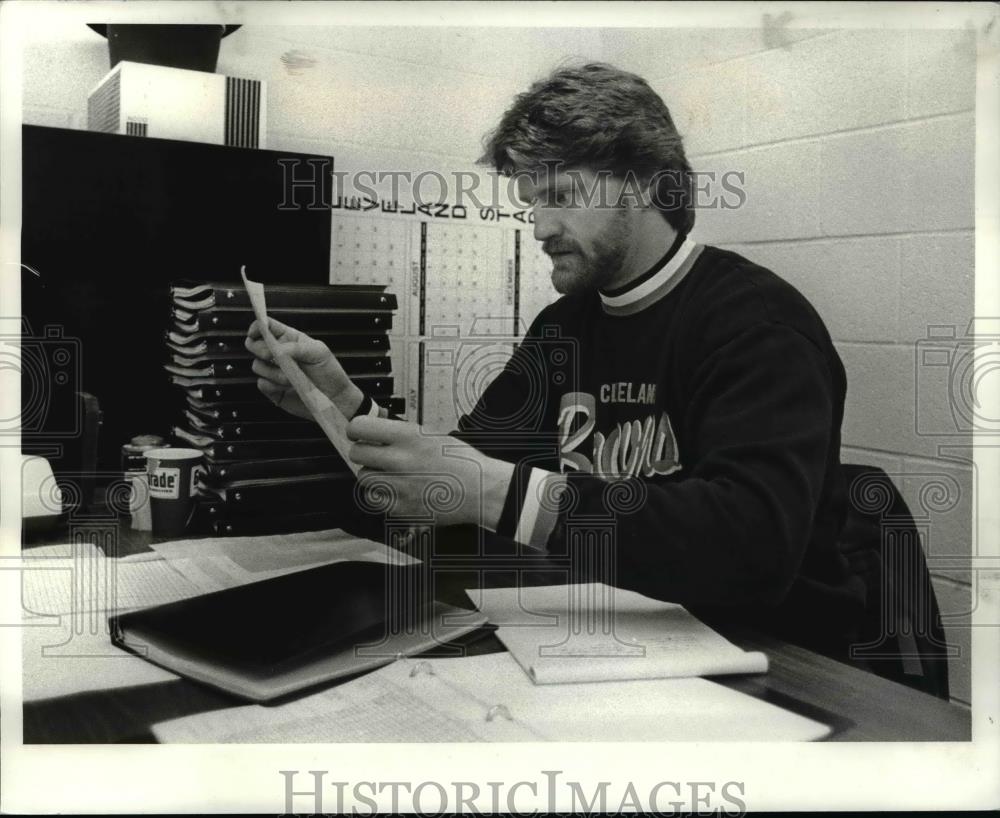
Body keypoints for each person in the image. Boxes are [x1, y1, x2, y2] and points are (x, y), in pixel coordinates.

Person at [246, 63, 869, 659]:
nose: (539, 227)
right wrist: (342, 404)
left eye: (562, 195)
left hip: (768, 656)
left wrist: (495, 492)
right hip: (609, 638)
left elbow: (753, 549)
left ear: (647, 182)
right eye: (531, 201)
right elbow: (466, 470)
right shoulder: (562, 328)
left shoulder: (757, 324)